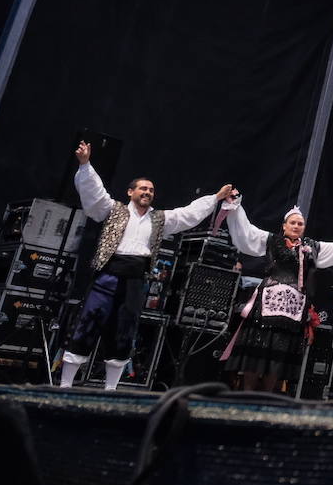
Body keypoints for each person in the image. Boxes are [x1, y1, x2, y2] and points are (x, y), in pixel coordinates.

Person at [60, 141, 234, 390]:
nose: (147, 192)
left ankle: (110, 389)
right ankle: (65, 385)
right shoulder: (112, 210)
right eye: (143, 188)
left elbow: (188, 214)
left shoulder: (160, 219)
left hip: (134, 281)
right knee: (87, 323)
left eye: (151, 190)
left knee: (123, 331)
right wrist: (85, 164)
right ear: (130, 192)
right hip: (107, 276)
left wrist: (215, 198)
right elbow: (94, 194)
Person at [221, 199, 333, 392]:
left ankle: (265, 398)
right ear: (284, 226)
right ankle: (246, 395)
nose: (296, 226)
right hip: (265, 310)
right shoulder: (272, 240)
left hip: (291, 315)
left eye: (300, 224)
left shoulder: (311, 247)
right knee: (256, 355)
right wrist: (236, 207)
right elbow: (247, 232)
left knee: (278, 357)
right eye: (292, 222)